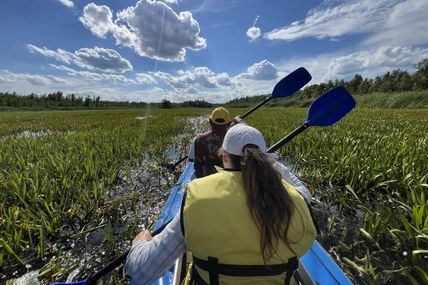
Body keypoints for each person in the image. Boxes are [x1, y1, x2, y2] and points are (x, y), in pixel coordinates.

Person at [126, 123, 317, 285]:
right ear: (266, 160)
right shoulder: (298, 199)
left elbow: (142, 273)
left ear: (224, 157)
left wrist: (140, 242)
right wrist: (266, 160)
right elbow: (300, 187)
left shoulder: (198, 199)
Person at [188, 107, 231, 178]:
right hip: (225, 182)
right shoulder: (233, 140)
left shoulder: (198, 139)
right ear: (229, 124)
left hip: (202, 181)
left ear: (210, 121)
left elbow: (191, 159)